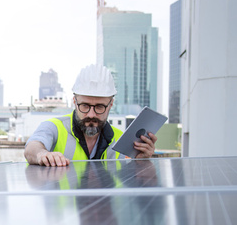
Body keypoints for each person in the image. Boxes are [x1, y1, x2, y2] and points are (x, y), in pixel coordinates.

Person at [24, 64, 157, 166]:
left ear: (110, 105)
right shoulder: (53, 127)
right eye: (85, 106)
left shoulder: (121, 140)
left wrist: (140, 162)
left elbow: (130, 185)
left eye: (100, 106)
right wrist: (42, 154)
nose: (91, 114)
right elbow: (32, 148)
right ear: (75, 102)